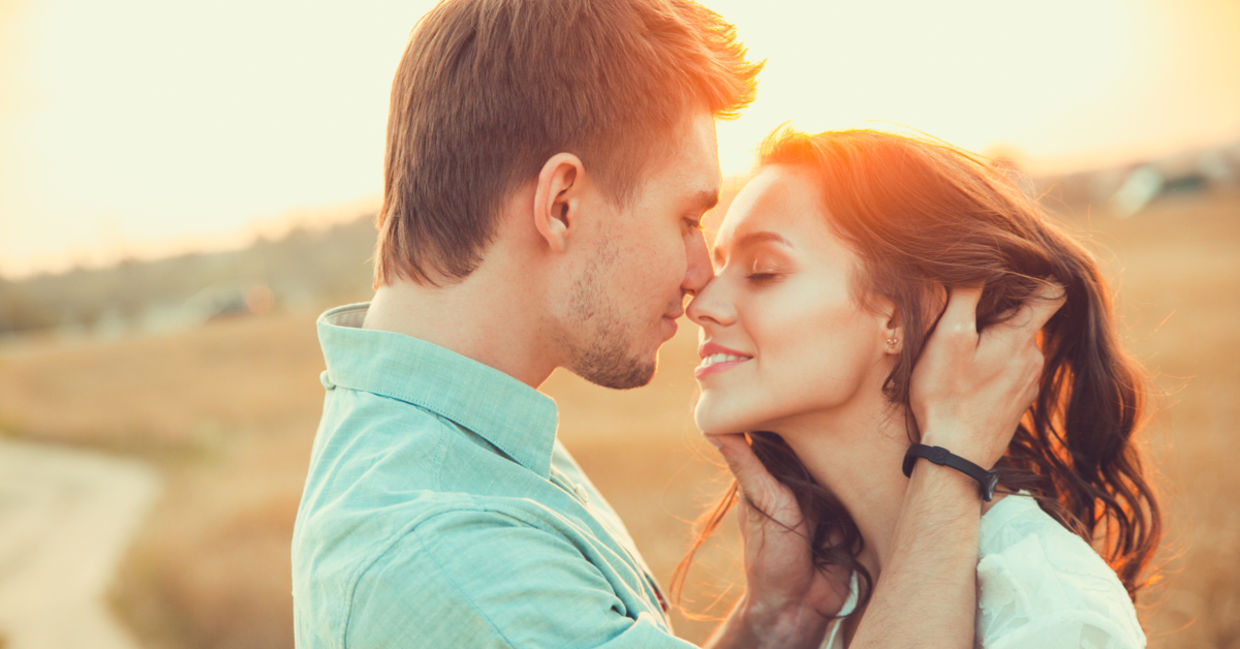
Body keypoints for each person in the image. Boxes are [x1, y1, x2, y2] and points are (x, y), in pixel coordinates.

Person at [290, 1, 1060, 647]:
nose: (698, 280)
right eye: (688, 218)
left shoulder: (460, 443)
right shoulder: (448, 553)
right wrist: (952, 461)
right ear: (563, 204)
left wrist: (768, 625)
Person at [681, 128, 1162, 648]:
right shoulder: (824, 601)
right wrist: (770, 621)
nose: (701, 305)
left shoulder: (1046, 607)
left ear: (901, 317)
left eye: (762, 271)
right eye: (720, 267)